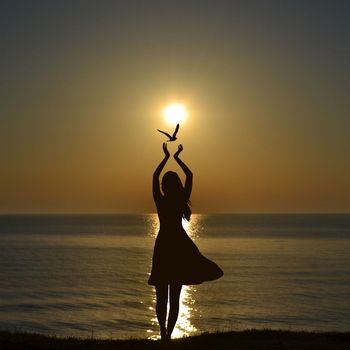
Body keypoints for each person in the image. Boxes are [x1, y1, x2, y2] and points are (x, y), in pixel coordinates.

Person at [148, 142, 223, 341]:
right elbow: (189, 176)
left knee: (161, 297)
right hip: (179, 246)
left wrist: (165, 157)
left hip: (164, 247)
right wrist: (178, 157)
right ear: (177, 185)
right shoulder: (179, 200)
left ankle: (163, 333)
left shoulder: (161, 202)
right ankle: (167, 336)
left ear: (164, 186)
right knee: (174, 297)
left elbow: (154, 177)